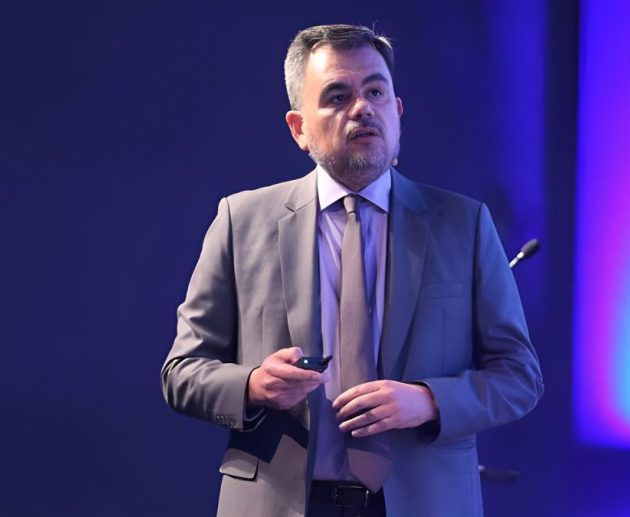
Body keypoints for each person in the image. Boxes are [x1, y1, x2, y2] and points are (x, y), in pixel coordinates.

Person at [162, 24, 543, 517]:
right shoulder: (241, 220)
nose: (362, 108)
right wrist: (254, 385)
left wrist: (430, 401)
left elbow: (520, 375)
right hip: (279, 503)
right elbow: (182, 372)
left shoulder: (462, 224)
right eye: (338, 96)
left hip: (424, 503)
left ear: (397, 112)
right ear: (299, 128)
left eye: (376, 92)